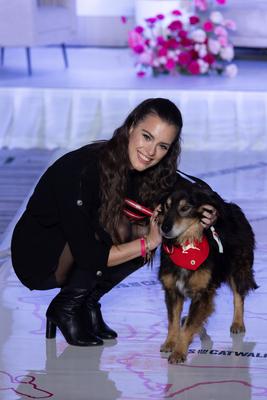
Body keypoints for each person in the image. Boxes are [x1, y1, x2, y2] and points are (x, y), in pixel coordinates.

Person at [11, 98, 217, 347]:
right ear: (131, 126)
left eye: (162, 146)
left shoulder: (145, 168)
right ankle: (66, 307)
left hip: (78, 247)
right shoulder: (82, 170)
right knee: (129, 231)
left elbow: (193, 190)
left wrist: (207, 210)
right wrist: (148, 242)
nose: (151, 152)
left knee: (155, 222)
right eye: (146, 136)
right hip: (39, 256)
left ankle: (86, 302)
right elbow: (88, 255)